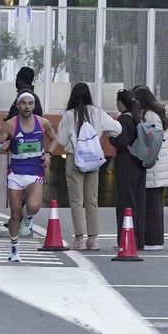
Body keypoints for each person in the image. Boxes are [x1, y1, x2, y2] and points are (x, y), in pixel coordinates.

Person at [57, 82, 121, 250]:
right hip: (93, 159)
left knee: (76, 200)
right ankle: (93, 240)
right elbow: (118, 129)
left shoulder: (69, 115)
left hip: (75, 159)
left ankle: (79, 239)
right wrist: (101, 135)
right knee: (92, 199)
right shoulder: (98, 113)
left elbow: (61, 140)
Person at [0, 92, 56, 263]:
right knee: (15, 214)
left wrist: (49, 154)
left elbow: (54, 139)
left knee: (34, 206)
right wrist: (1, 147)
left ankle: (28, 216)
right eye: (23, 103)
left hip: (35, 170)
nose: (27, 106)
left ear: (34, 106)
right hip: (16, 172)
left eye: (30, 103)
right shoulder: (10, 125)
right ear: (18, 105)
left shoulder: (43, 123)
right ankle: (14, 247)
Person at [133, 86, 168, 249]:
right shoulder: (161, 113)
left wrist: (146, 158)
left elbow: (152, 139)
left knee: (152, 205)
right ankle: (151, 239)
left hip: (155, 165)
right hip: (162, 164)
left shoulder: (150, 115)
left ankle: (153, 240)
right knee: (153, 203)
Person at [111, 89, 149, 247]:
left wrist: (112, 138)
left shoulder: (123, 119)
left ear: (121, 103)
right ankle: (138, 239)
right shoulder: (138, 117)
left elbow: (121, 141)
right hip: (139, 162)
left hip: (126, 161)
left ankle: (125, 239)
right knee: (139, 200)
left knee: (125, 201)